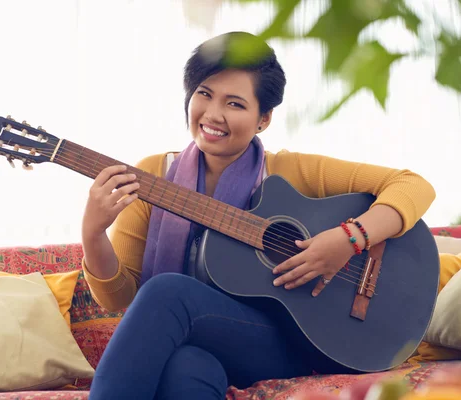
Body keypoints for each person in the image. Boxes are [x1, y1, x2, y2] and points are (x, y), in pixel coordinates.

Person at [81, 31, 436, 400]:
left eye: (234, 103)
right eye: (204, 94)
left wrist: (348, 239)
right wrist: (93, 233)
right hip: (207, 339)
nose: (213, 114)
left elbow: (412, 185)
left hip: (292, 339)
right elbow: (120, 300)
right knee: (186, 369)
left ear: (263, 118)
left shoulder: (288, 170)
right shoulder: (154, 175)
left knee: (167, 292)